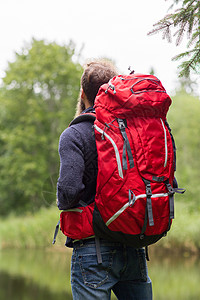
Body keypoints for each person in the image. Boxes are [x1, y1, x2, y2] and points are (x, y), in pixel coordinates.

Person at [57, 60, 153, 300]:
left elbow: (68, 192)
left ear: (82, 93)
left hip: (92, 248)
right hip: (133, 244)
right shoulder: (131, 131)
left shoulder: (74, 134)